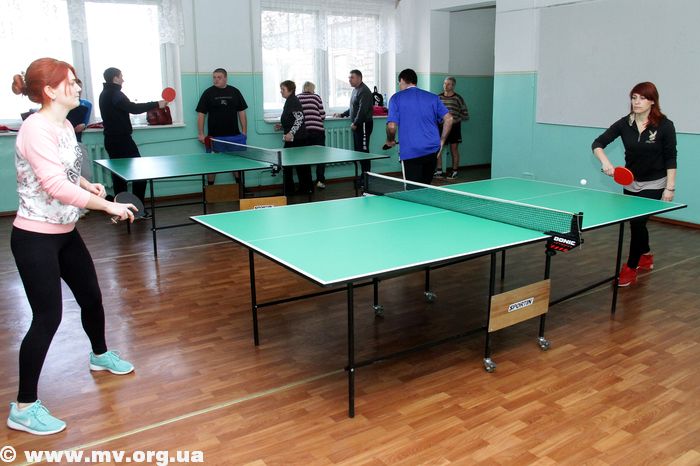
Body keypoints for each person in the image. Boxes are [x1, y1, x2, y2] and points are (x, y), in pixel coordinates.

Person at [8, 58, 138, 436]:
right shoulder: (35, 129)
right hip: (35, 238)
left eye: (77, 81)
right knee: (47, 318)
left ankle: (100, 355)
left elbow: (65, 172)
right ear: (49, 90)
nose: (78, 87)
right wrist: (107, 205)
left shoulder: (64, 125)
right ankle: (24, 407)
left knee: (92, 297)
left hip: (65, 231)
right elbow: (53, 186)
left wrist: (86, 184)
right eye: (70, 82)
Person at [592, 81, 677, 287]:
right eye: (634, 97)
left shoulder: (665, 125)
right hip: (630, 182)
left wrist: (670, 187)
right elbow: (598, 143)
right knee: (636, 223)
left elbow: (671, 157)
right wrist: (605, 162)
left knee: (638, 223)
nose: (637, 102)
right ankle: (646, 254)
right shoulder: (625, 124)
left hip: (655, 183)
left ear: (652, 101)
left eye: (643, 98)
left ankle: (630, 267)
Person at [99, 67, 165, 212]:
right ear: (115, 78)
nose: (123, 79)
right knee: (140, 174)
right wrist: (157, 104)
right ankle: (137, 209)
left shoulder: (104, 93)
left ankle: (121, 209)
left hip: (111, 140)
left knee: (119, 176)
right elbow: (133, 108)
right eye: (121, 76)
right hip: (121, 141)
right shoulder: (115, 93)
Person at [385, 68, 453, 185]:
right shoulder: (432, 97)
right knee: (425, 187)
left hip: (411, 151)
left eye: (399, 83)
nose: (399, 86)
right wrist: (442, 141)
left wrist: (390, 140)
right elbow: (449, 119)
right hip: (432, 149)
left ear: (402, 80)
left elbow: (391, 126)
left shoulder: (396, 98)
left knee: (413, 190)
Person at [196, 68, 248, 185]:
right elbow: (201, 114)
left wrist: (244, 132)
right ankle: (210, 189)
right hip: (214, 137)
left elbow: (241, 112)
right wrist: (201, 134)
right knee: (212, 164)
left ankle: (240, 188)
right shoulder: (208, 93)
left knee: (236, 164)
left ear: (225, 78)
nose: (216, 80)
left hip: (234, 136)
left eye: (219, 77)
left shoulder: (235, 92)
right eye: (214, 77)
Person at [333, 69, 374, 184]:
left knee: (364, 151)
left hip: (363, 124)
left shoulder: (364, 91)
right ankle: (363, 176)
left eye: (352, 77)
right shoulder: (356, 90)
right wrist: (342, 114)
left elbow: (362, 110)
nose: (349, 80)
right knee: (359, 151)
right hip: (358, 125)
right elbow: (353, 107)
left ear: (359, 78)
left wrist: (355, 123)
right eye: (349, 77)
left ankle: (367, 178)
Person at [276, 80, 312, 195]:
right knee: (288, 165)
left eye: (283, 89)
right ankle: (290, 189)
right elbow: (292, 119)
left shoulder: (293, 101)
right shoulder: (289, 101)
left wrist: (291, 133)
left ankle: (303, 189)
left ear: (290, 90)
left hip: (298, 139)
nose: (281, 91)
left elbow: (299, 119)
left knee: (299, 165)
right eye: (281, 89)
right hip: (293, 139)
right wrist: (282, 126)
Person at [436, 76, 469, 179]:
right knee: (439, 148)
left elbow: (465, 115)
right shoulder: (438, 98)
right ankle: (439, 171)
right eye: (444, 83)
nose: (446, 86)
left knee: (454, 149)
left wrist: (454, 120)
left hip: (454, 127)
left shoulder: (458, 98)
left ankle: (454, 171)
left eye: (448, 84)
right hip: (441, 127)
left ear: (453, 86)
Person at [297, 81, 327, 189]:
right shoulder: (316, 97)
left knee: (306, 158)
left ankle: (308, 183)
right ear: (312, 89)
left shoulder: (297, 97)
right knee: (320, 158)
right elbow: (322, 115)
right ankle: (320, 181)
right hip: (318, 131)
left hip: (304, 132)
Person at [66, 78, 92, 143]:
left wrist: (84, 125)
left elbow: (85, 122)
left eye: (80, 88)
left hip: (78, 139)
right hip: (66, 137)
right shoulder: (64, 104)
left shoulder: (87, 104)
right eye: (76, 88)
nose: (79, 90)